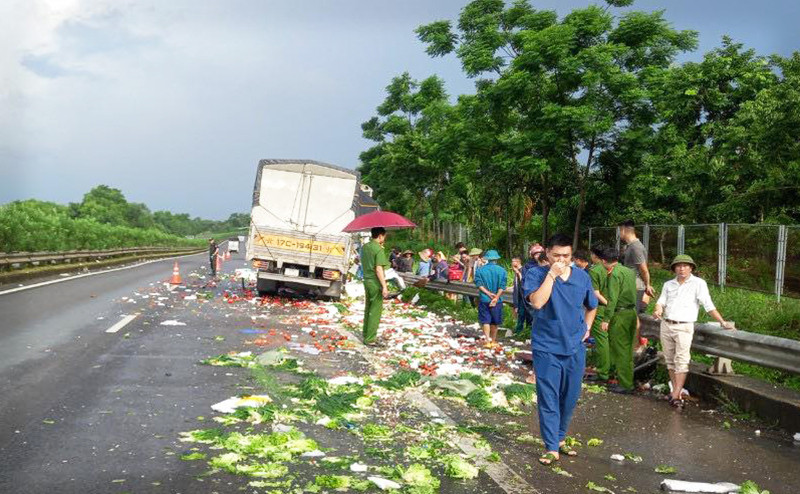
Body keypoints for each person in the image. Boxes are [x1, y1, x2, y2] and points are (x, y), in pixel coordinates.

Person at [524, 234, 598, 466]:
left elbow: (592, 306)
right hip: (546, 346)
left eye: (566, 256)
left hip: (575, 346)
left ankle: (560, 437)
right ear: (547, 253)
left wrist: (587, 328)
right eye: (556, 255)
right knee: (549, 396)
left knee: (570, 396)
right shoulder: (536, 274)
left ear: (572, 255)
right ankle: (551, 446)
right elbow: (537, 302)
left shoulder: (582, 277)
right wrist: (552, 275)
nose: (561, 259)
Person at [653, 254, 735, 407]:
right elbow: (661, 302)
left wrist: (722, 322)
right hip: (666, 324)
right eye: (678, 266)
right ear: (674, 268)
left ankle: (676, 394)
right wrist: (657, 309)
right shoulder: (668, 284)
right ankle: (675, 391)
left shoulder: (699, 284)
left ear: (691, 268)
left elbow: (708, 305)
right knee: (670, 360)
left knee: (682, 360)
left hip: (684, 326)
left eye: (685, 265)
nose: (682, 268)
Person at [599, 247, 639, 394]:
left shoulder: (614, 274)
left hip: (620, 314)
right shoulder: (629, 271)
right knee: (627, 350)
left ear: (604, 261)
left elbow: (612, 299)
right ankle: (627, 380)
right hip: (631, 312)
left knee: (621, 349)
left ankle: (625, 384)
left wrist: (606, 318)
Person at [361, 227, 390, 346]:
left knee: (368, 308)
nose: (384, 238)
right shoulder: (378, 249)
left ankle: (366, 333)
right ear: (380, 236)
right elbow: (379, 269)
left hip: (367, 280)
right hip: (375, 281)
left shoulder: (365, 247)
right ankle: (370, 338)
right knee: (375, 310)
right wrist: (384, 286)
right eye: (384, 236)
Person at [618, 220, 654, 313]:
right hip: (628, 285)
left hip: (635, 287)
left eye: (619, 230)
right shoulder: (629, 246)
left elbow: (644, 269)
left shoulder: (636, 247)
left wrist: (647, 285)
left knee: (631, 316)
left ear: (623, 230)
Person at [586, 245, 610, 382]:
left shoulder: (595, 271)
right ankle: (611, 369)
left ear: (595, 256)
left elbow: (595, 293)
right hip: (615, 307)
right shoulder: (614, 269)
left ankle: (603, 373)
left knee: (601, 341)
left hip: (601, 308)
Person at [474, 250, 507, 347]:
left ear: (487, 259)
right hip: (497, 300)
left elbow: (479, 284)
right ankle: (493, 341)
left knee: (485, 321)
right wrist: (496, 297)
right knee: (495, 322)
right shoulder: (502, 270)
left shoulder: (480, 270)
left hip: (484, 299)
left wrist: (488, 294)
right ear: (496, 259)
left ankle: (487, 340)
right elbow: (502, 286)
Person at [511, 257, 529, 335]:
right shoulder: (516, 271)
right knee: (520, 313)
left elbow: (523, 282)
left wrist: (518, 273)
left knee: (523, 314)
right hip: (518, 296)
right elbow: (516, 284)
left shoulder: (523, 270)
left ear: (518, 262)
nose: (511, 263)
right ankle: (519, 330)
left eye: (513, 261)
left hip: (523, 296)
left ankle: (523, 331)